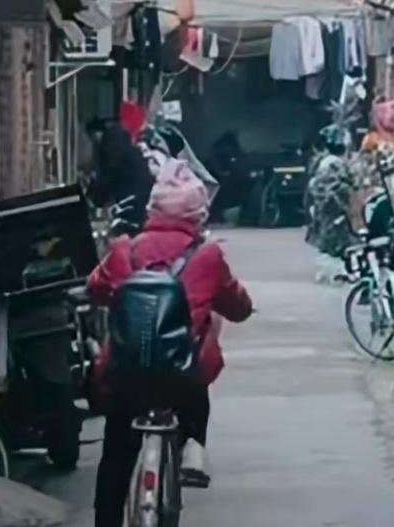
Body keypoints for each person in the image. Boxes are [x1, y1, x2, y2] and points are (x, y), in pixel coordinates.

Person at [88, 158, 253, 527]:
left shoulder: (123, 251)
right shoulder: (209, 257)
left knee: (116, 455)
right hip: (182, 381)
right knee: (197, 372)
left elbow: (94, 289)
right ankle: (192, 447)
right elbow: (237, 305)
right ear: (199, 215)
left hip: (125, 377)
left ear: (153, 209)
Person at [91, 122, 155, 228]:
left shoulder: (114, 155)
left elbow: (106, 183)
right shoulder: (135, 154)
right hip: (144, 208)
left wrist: (97, 200)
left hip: (129, 209)